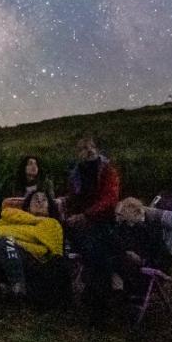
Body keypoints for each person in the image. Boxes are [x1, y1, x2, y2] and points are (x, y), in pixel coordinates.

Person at [62, 136, 121, 324]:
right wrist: (69, 214)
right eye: (84, 148)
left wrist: (86, 215)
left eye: (92, 146)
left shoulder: (107, 171)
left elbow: (110, 199)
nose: (89, 150)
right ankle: (100, 303)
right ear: (78, 153)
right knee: (94, 252)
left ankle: (98, 305)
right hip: (80, 224)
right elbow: (72, 200)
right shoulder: (75, 174)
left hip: (102, 222)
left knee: (97, 253)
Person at [0, 189, 65, 305]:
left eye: (44, 200)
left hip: (34, 260)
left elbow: (55, 253)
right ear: (27, 207)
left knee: (5, 240)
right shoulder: (11, 219)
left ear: (49, 206)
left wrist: (11, 240)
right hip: (3, 252)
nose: (40, 202)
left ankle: (19, 292)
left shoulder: (52, 223)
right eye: (36, 199)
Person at [108, 197, 170, 300]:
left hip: (145, 271)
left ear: (130, 213)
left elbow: (161, 255)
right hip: (126, 266)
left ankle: (117, 291)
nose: (116, 218)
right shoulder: (124, 227)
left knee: (116, 260)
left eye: (120, 215)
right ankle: (117, 290)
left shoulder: (150, 229)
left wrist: (142, 260)